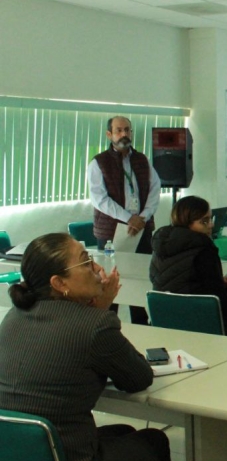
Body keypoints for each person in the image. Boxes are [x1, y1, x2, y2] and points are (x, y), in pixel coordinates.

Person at [0, 233, 172, 461]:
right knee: (153, 441)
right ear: (59, 283)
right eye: (85, 262)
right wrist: (101, 310)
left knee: (123, 434)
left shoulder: (13, 317)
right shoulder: (95, 325)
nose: (96, 267)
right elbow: (138, 377)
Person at [149, 195, 227, 342]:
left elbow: (181, 281)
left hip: (167, 328)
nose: (211, 225)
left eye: (210, 219)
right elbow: (222, 304)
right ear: (187, 223)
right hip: (204, 328)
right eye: (204, 221)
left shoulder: (160, 247)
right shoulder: (204, 250)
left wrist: (217, 281)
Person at [87, 115, 161, 325]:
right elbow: (99, 199)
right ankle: (107, 326)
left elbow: (155, 189)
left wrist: (143, 217)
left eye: (127, 130)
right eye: (119, 130)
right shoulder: (99, 162)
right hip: (112, 233)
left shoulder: (142, 160)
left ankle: (142, 324)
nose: (124, 134)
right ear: (109, 134)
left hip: (142, 229)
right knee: (110, 282)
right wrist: (129, 218)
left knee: (142, 279)